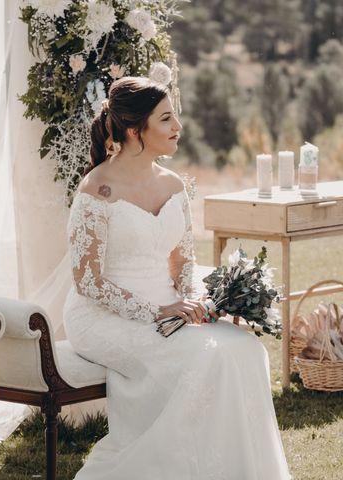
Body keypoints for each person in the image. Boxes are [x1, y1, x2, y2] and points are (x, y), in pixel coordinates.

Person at [63, 77, 290, 479]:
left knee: (245, 350)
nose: (177, 127)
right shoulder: (96, 189)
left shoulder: (173, 185)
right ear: (135, 130)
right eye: (166, 118)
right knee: (202, 359)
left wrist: (195, 300)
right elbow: (89, 283)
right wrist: (158, 310)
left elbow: (183, 264)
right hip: (101, 315)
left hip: (169, 304)